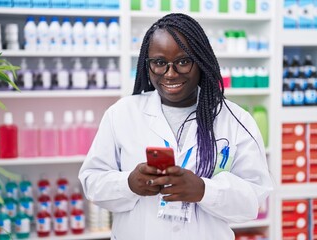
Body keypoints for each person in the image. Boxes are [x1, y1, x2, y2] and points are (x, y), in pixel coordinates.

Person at [78, 13, 273, 240]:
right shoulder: (121, 114)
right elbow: (92, 182)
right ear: (148, 65)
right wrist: (128, 183)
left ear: (200, 61)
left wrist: (204, 190)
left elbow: (253, 200)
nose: (170, 74)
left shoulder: (234, 119)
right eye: (160, 63)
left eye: (183, 62)